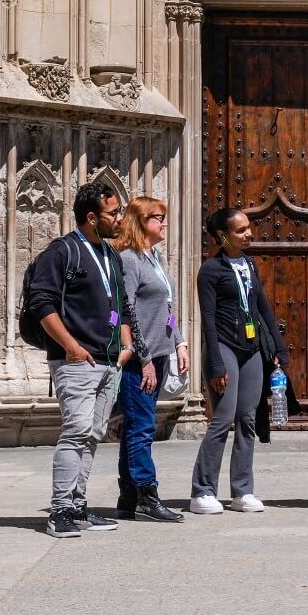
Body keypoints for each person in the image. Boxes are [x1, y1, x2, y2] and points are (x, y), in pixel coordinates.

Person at [24, 180, 134, 538]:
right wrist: (70, 346)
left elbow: (122, 305)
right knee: (75, 433)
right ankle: (59, 511)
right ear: (91, 217)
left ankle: (77, 505)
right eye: (114, 212)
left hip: (109, 360)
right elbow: (42, 303)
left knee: (91, 435)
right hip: (76, 362)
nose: (120, 219)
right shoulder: (61, 252)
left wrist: (127, 343)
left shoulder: (110, 254)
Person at [190, 208, 287, 515]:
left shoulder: (249, 264)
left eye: (249, 227)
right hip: (224, 348)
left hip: (252, 349)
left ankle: (242, 491)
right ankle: (202, 491)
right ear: (222, 236)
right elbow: (206, 319)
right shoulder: (210, 270)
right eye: (241, 230)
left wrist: (278, 347)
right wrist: (216, 363)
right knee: (223, 417)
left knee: (247, 419)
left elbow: (262, 307)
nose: (249, 233)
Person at [113, 196, 190, 523]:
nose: (165, 223)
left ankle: (128, 497)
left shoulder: (154, 258)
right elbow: (126, 311)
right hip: (139, 359)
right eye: (158, 218)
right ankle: (146, 493)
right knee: (142, 427)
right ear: (140, 221)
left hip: (159, 354)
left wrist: (180, 342)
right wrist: (143, 358)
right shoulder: (129, 260)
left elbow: (167, 309)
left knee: (136, 425)